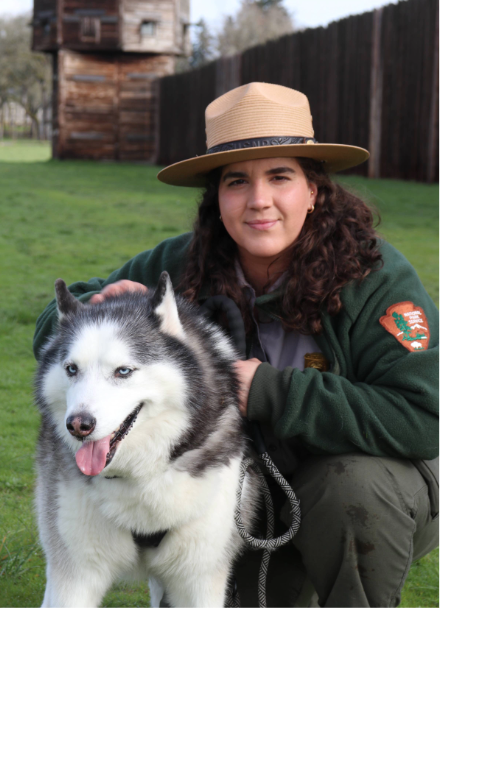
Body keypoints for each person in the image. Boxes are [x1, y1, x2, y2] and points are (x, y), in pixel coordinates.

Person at [31, 82, 438, 607]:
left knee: (350, 487)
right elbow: (53, 328)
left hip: (366, 498)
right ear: (216, 198)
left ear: (314, 190)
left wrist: (272, 393)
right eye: (237, 181)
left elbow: (426, 414)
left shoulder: (375, 278)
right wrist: (97, 308)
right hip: (240, 498)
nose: (258, 200)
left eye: (280, 177)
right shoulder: (176, 268)